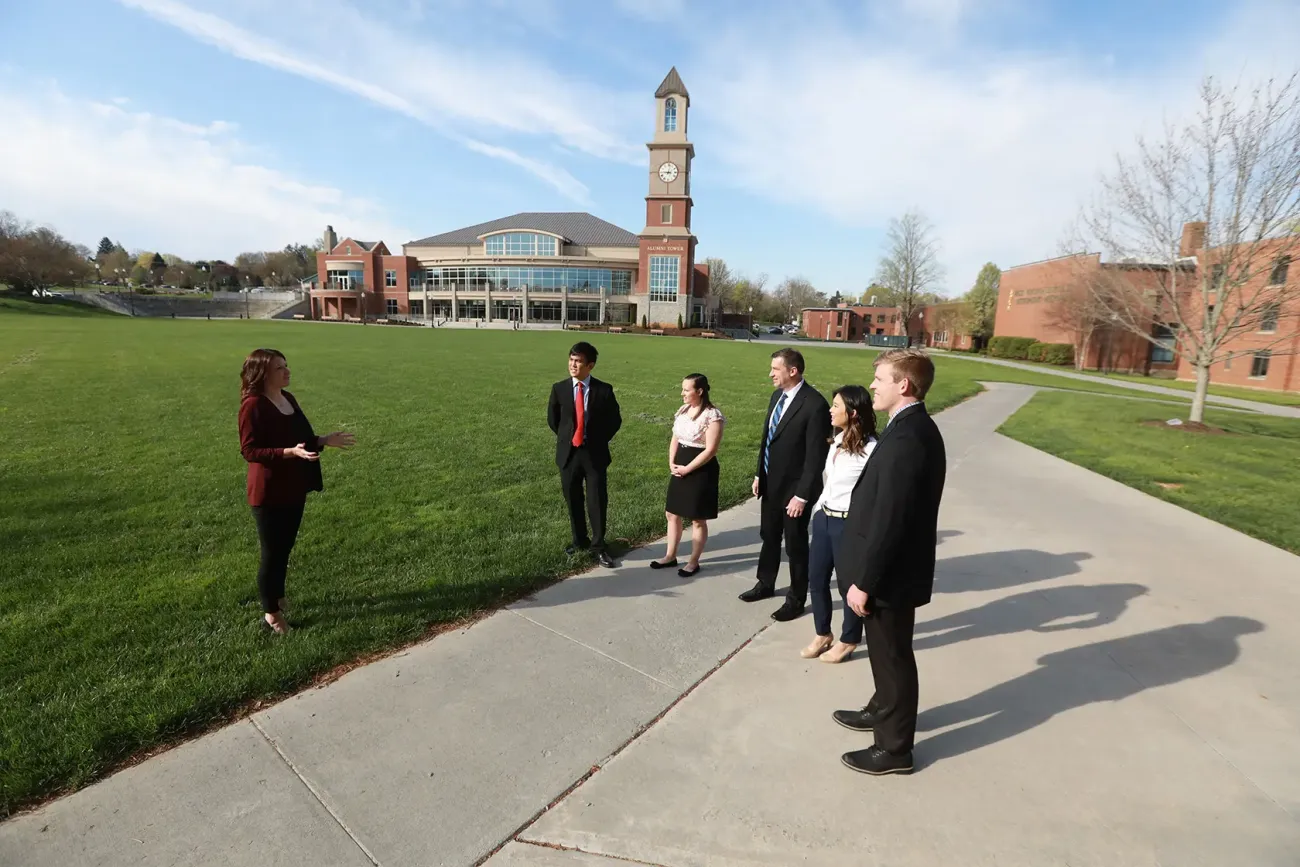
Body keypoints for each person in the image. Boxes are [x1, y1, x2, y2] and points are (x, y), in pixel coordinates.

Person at [833, 348, 947, 776]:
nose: (874, 386)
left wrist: (866, 581)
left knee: (893, 656)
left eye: (880, 379)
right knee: (884, 654)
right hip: (887, 571)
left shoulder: (910, 437)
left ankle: (895, 749)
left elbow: (892, 519)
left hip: (890, 576)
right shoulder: (906, 427)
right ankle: (883, 710)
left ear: (904, 385)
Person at [238, 349, 355, 634]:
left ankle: (276, 596)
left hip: (294, 486)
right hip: (268, 491)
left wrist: (325, 440)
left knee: (284, 548)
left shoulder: (287, 399)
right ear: (264, 374)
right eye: (280, 368)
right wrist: (288, 452)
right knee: (272, 552)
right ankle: (272, 615)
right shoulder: (253, 406)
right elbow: (250, 450)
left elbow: (302, 438)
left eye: (286, 366)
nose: (287, 371)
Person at [739, 348, 831, 621]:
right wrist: (759, 474)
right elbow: (767, 439)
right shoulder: (776, 397)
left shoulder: (815, 404)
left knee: (795, 545)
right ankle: (765, 583)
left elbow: (816, 457)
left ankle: (796, 598)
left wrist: (802, 496)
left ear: (793, 371)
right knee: (769, 536)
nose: (770, 374)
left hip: (795, 491)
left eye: (775, 369)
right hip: (771, 484)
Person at [802, 385, 878, 664]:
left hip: (848, 525)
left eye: (836, 406)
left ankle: (849, 639)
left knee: (848, 587)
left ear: (853, 412)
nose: (830, 410)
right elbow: (829, 480)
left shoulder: (871, 449)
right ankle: (823, 633)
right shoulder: (837, 439)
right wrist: (818, 510)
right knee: (817, 579)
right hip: (824, 519)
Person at [548, 341, 622, 568]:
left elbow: (614, 420)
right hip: (569, 455)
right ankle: (579, 540)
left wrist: (598, 440)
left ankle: (599, 546)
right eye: (571, 360)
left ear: (590, 365)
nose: (573, 364)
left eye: (578, 361)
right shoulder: (559, 389)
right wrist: (568, 439)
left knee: (596, 501)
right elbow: (554, 420)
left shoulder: (604, 390)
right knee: (573, 499)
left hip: (594, 455)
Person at [652, 373, 725, 577]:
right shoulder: (683, 410)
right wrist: (672, 462)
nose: (682, 393)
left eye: (686, 389)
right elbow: (675, 437)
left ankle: (693, 561)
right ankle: (670, 555)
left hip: (701, 469)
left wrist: (687, 468)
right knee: (672, 513)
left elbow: (710, 450)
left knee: (697, 519)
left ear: (699, 391)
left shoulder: (713, 416)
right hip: (680, 464)